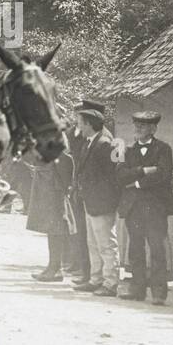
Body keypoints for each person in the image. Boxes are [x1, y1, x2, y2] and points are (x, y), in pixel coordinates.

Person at [116, 109, 173, 305]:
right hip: (133, 207)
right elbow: (120, 176)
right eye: (137, 125)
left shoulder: (163, 149)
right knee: (135, 248)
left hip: (155, 207)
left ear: (153, 129)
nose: (138, 129)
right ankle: (137, 288)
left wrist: (136, 183)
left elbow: (164, 175)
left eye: (143, 126)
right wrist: (143, 170)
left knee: (157, 248)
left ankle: (159, 292)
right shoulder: (128, 151)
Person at [72, 107, 121, 297]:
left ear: (89, 124)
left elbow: (113, 176)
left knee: (106, 244)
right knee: (93, 243)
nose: (78, 127)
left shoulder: (104, 144)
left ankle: (110, 283)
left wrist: (107, 200)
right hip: (91, 202)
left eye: (80, 123)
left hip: (102, 203)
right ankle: (96, 279)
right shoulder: (89, 142)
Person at [26, 134, 75, 281]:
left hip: (56, 202)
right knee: (51, 234)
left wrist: (60, 201)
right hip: (48, 202)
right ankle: (52, 267)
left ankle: (56, 269)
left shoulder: (63, 158)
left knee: (56, 234)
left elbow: (65, 182)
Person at [65, 100, 103, 281]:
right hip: (80, 190)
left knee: (94, 238)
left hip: (93, 195)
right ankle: (84, 269)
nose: (77, 122)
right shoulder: (83, 135)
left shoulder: (104, 139)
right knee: (81, 231)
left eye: (81, 117)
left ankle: (89, 273)